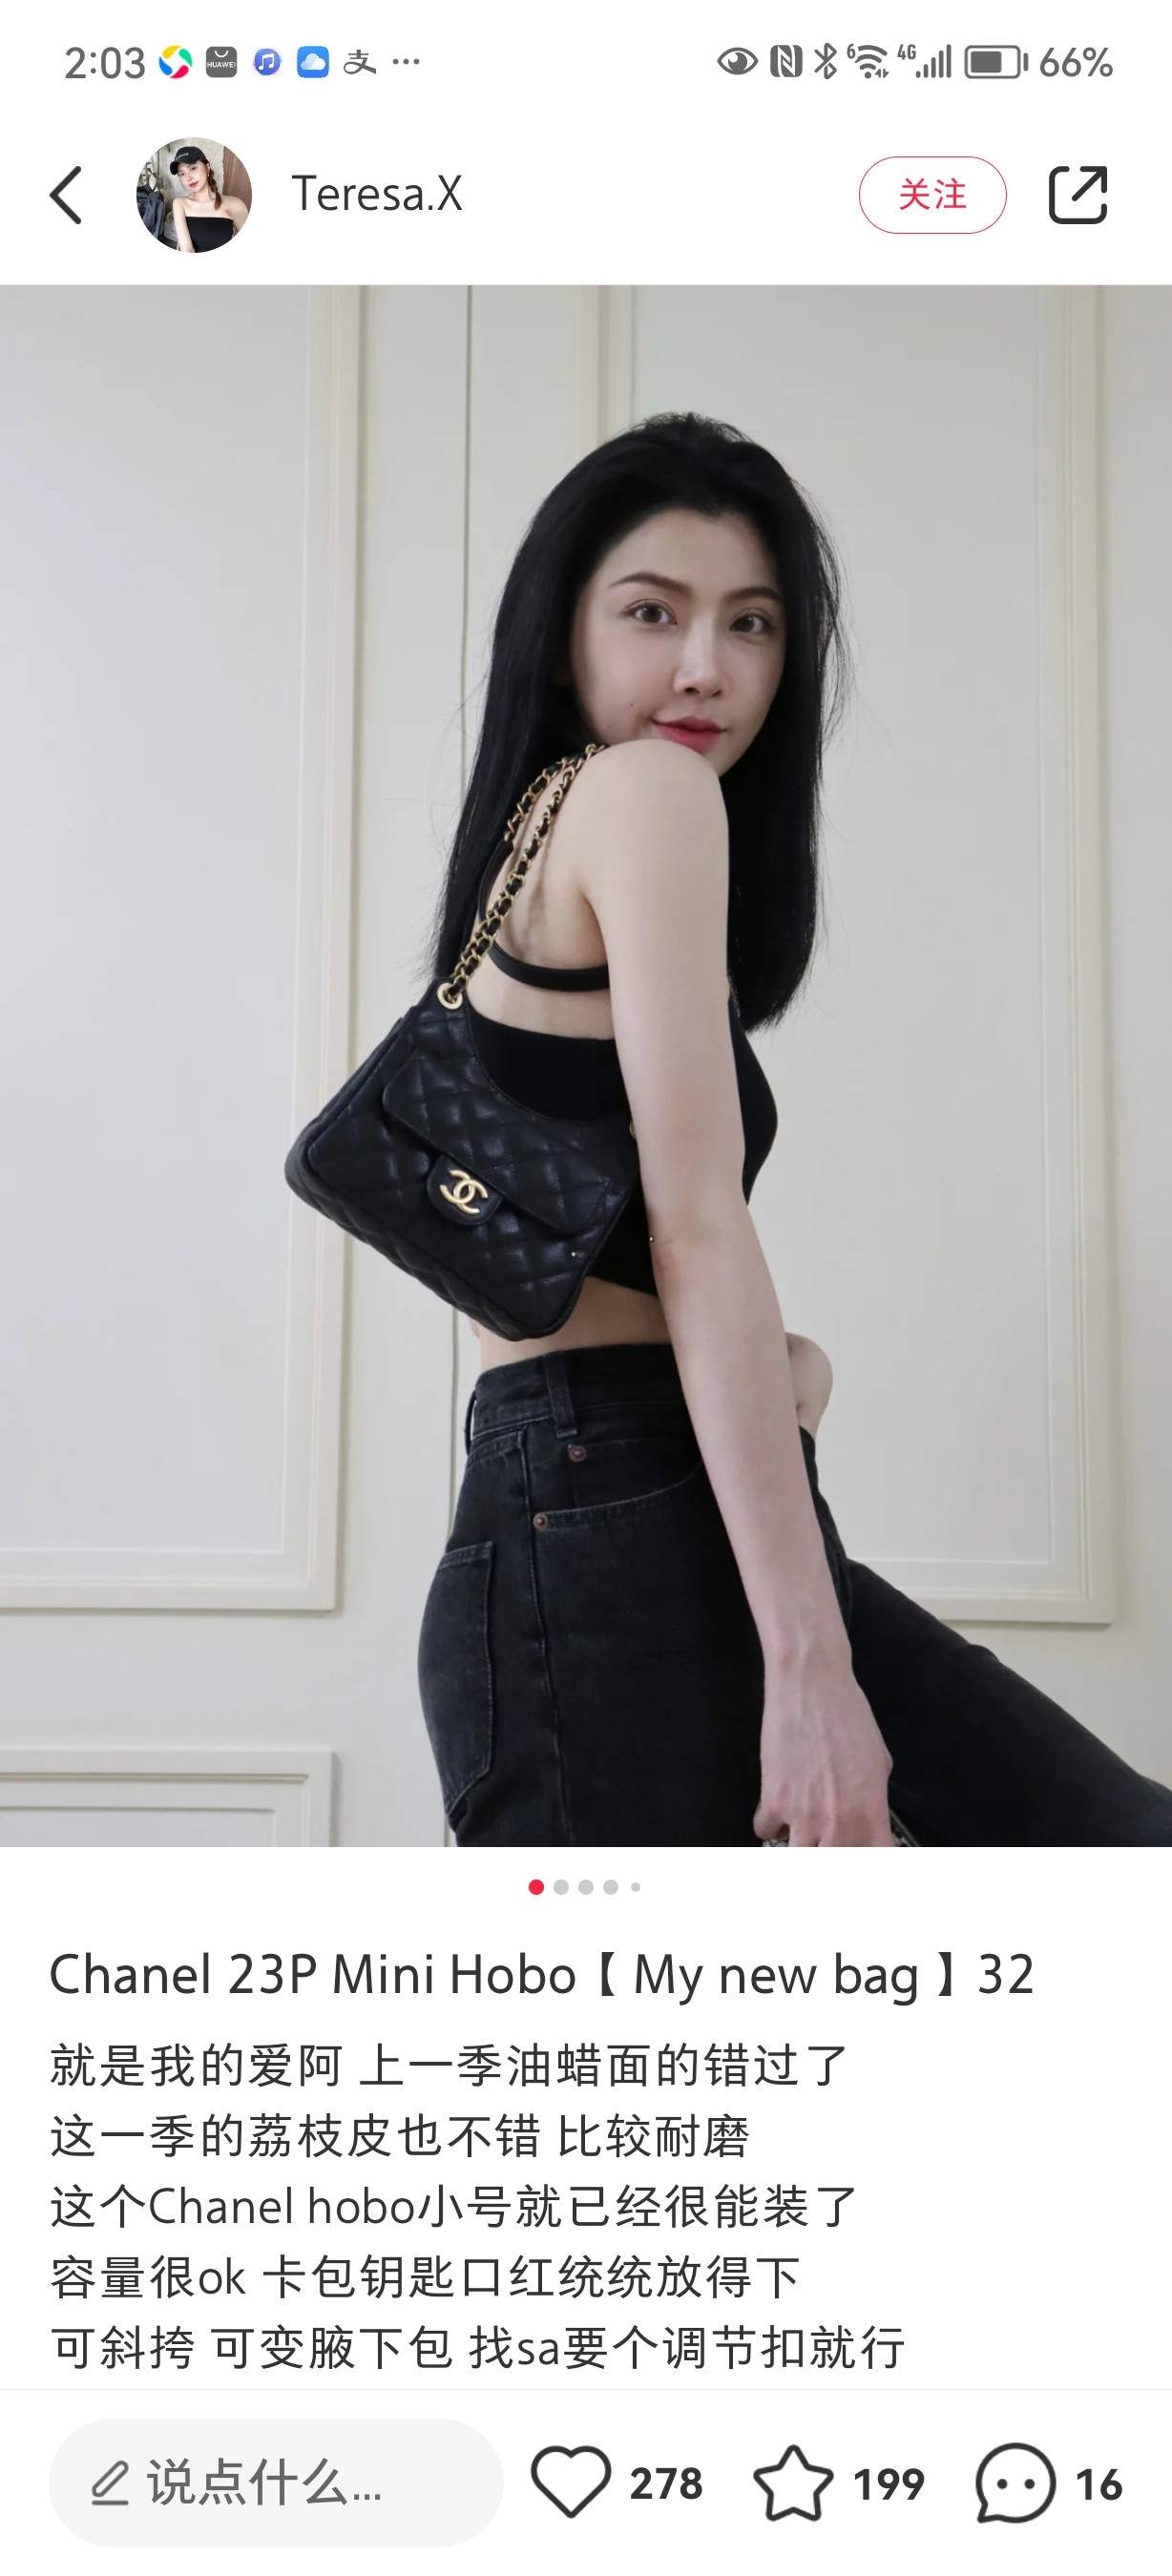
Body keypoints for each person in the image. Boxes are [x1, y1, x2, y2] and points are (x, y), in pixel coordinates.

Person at [415, 411, 1172, 1850]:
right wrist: (811, 1672)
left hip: (603, 1506)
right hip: (608, 1530)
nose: (707, 666)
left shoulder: (548, 823)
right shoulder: (645, 795)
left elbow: (570, 1268)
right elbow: (693, 1232)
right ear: (562, 634)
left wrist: (790, 1375)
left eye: (752, 623)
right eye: (654, 612)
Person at [168, 147, 248, 253]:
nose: (188, 178)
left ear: (207, 167)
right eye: (182, 174)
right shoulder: (180, 203)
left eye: (193, 168)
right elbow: (187, 250)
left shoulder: (234, 204)